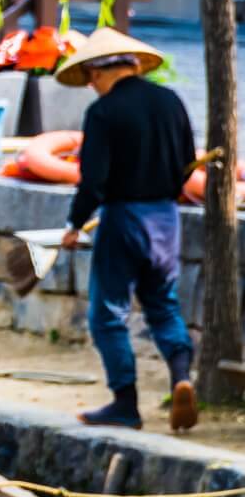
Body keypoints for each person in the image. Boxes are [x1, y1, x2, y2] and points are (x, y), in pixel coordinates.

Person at [55, 28, 198, 430]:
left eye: (90, 78)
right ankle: (182, 377)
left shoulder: (103, 113)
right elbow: (187, 160)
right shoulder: (170, 102)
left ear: (100, 72)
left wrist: (74, 224)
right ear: (134, 65)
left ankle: (125, 403)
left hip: (122, 220)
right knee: (163, 304)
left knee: (108, 313)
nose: (90, 86)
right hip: (166, 219)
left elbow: (93, 180)